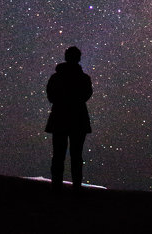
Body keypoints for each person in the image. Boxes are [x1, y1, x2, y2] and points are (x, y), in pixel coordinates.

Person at [45, 46, 93, 192]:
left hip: (59, 118)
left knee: (58, 155)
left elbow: (51, 96)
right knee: (76, 156)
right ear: (79, 58)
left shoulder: (56, 77)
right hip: (78, 119)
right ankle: (76, 188)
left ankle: (56, 188)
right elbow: (86, 95)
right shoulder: (84, 78)